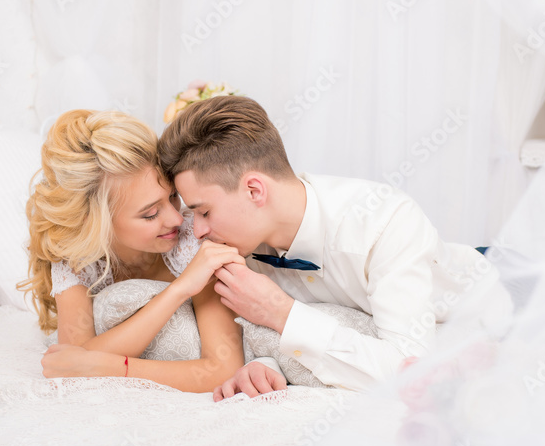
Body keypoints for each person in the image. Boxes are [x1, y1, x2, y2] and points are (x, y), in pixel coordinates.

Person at [157, 95, 513, 400]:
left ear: (254, 190)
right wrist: (264, 364)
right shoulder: (242, 242)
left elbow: (410, 371)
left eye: (204, 211)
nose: (198, 231)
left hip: (504, 293)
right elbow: (295, 331)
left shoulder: (386, 221)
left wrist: (280, 311)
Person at [19, 109, 245, 393]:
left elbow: (223, 370)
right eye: (150, 214)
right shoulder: (77, 260)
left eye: (172, 196)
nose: (177, 218)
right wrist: (179, 290)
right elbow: (70, 364)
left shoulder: (195, 241)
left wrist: (112, 368)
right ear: (96, 224)